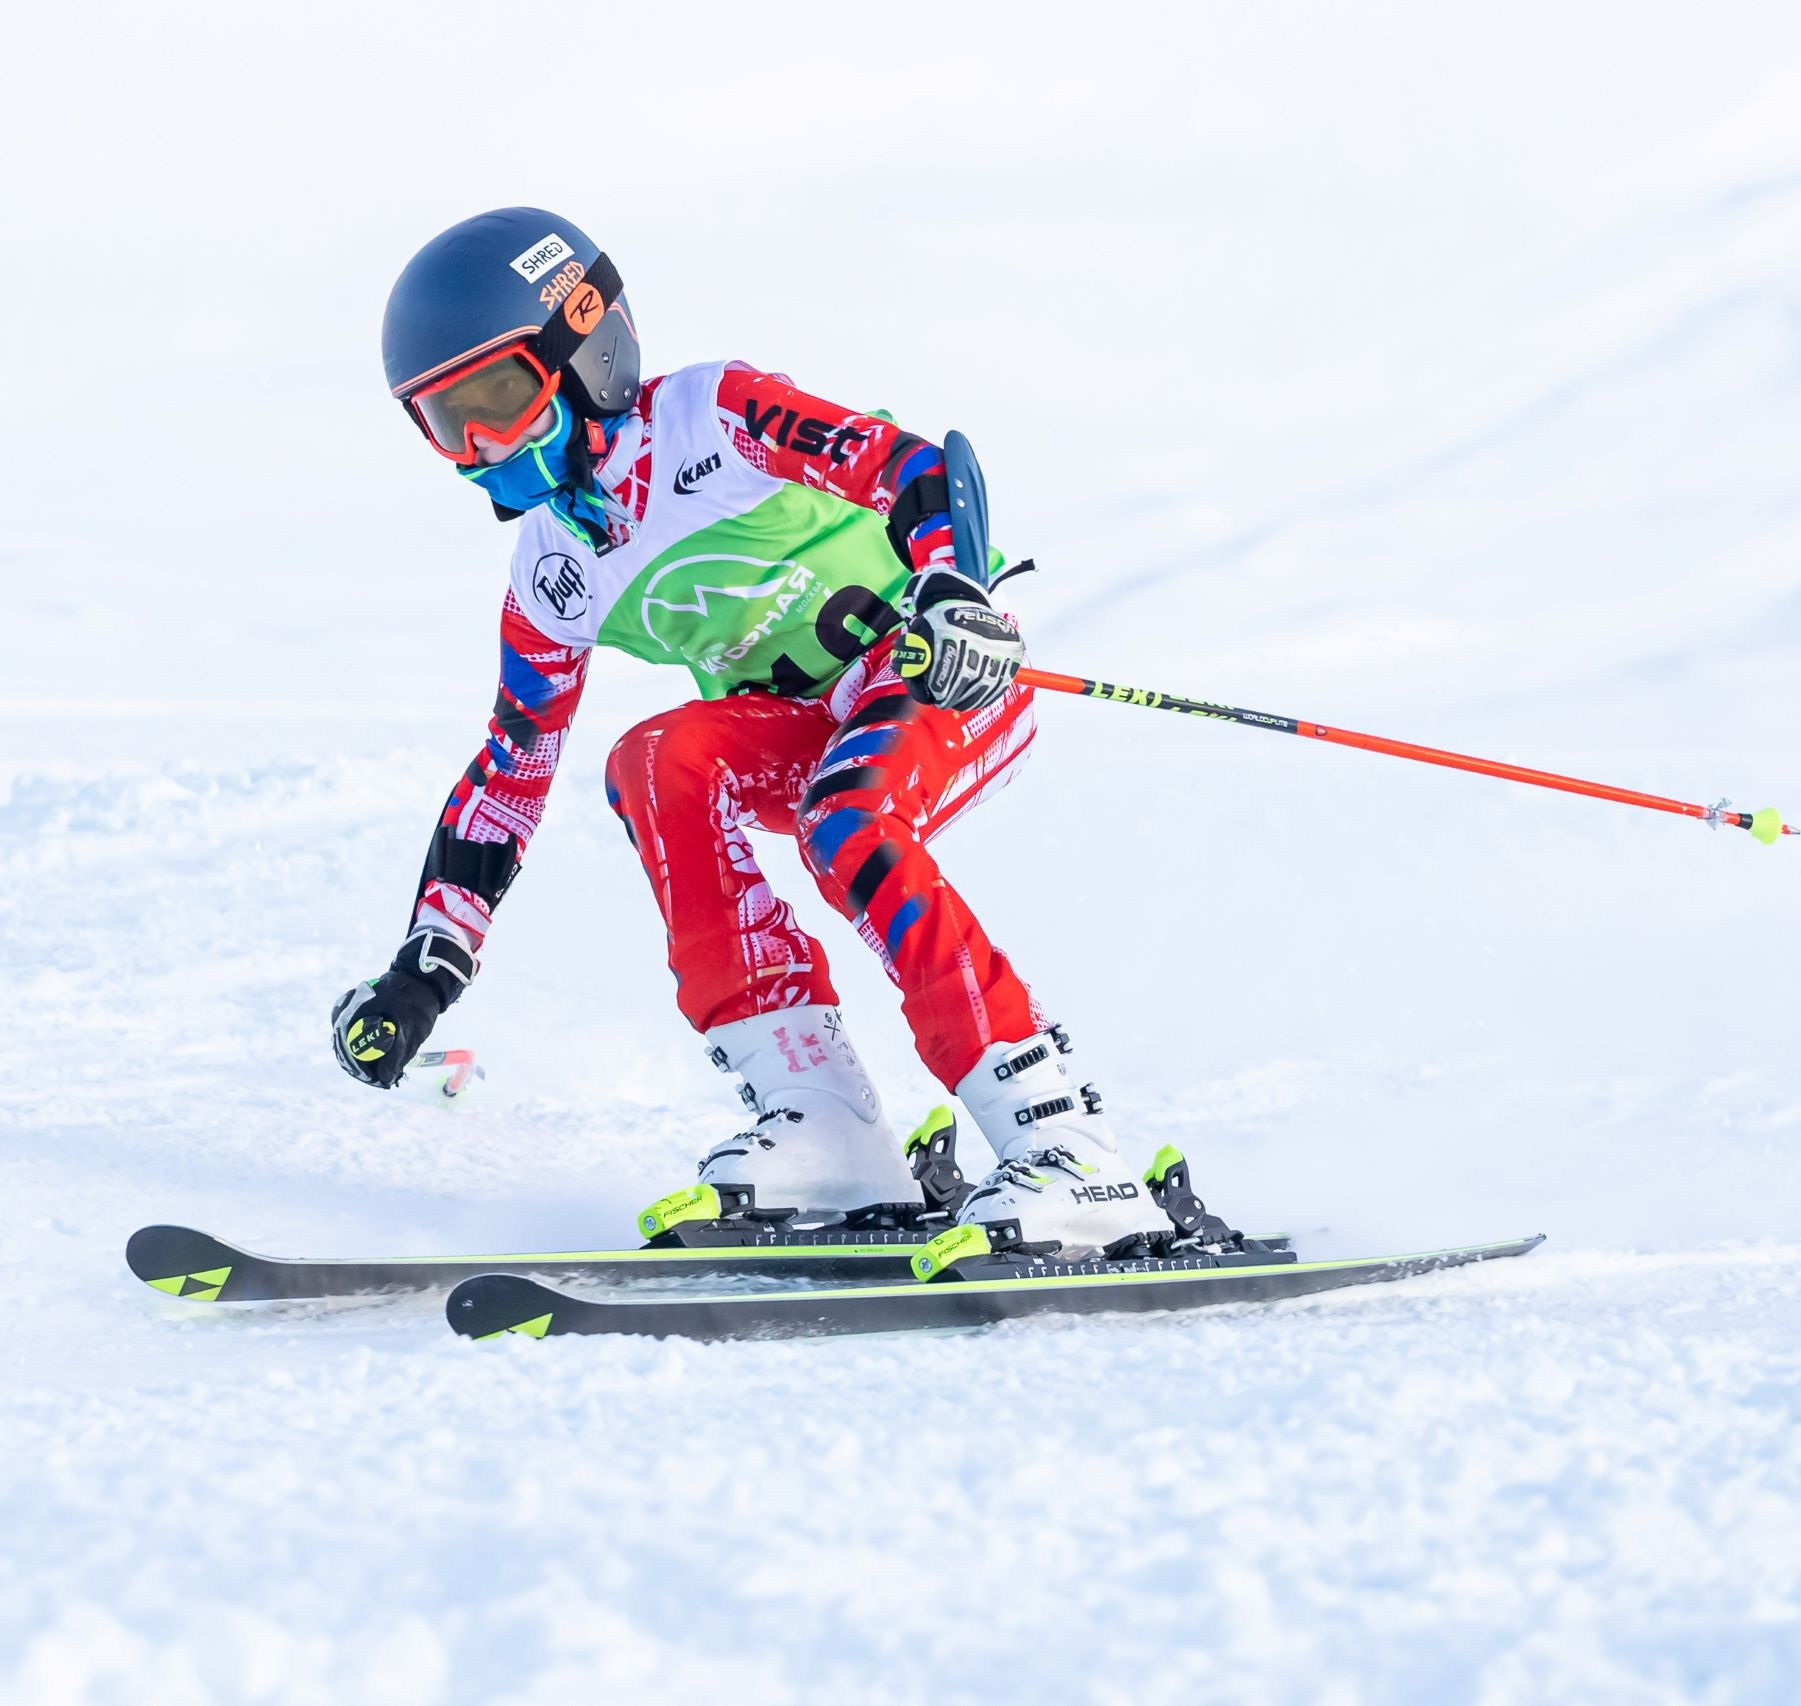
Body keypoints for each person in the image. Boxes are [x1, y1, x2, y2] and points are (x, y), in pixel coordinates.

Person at [329, 207, 1181, 1258]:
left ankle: (1065, 1145)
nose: (477, 447)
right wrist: (428, 966)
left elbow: (911, 466)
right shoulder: (553, 567)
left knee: (845, 821)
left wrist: (953, 587)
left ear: (585, 345)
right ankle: (824, 1120)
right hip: (807, 730)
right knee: (654, 761)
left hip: (940, 671)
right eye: (443, 421)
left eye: (497, 399)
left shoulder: (711, 418)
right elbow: (513, 767)